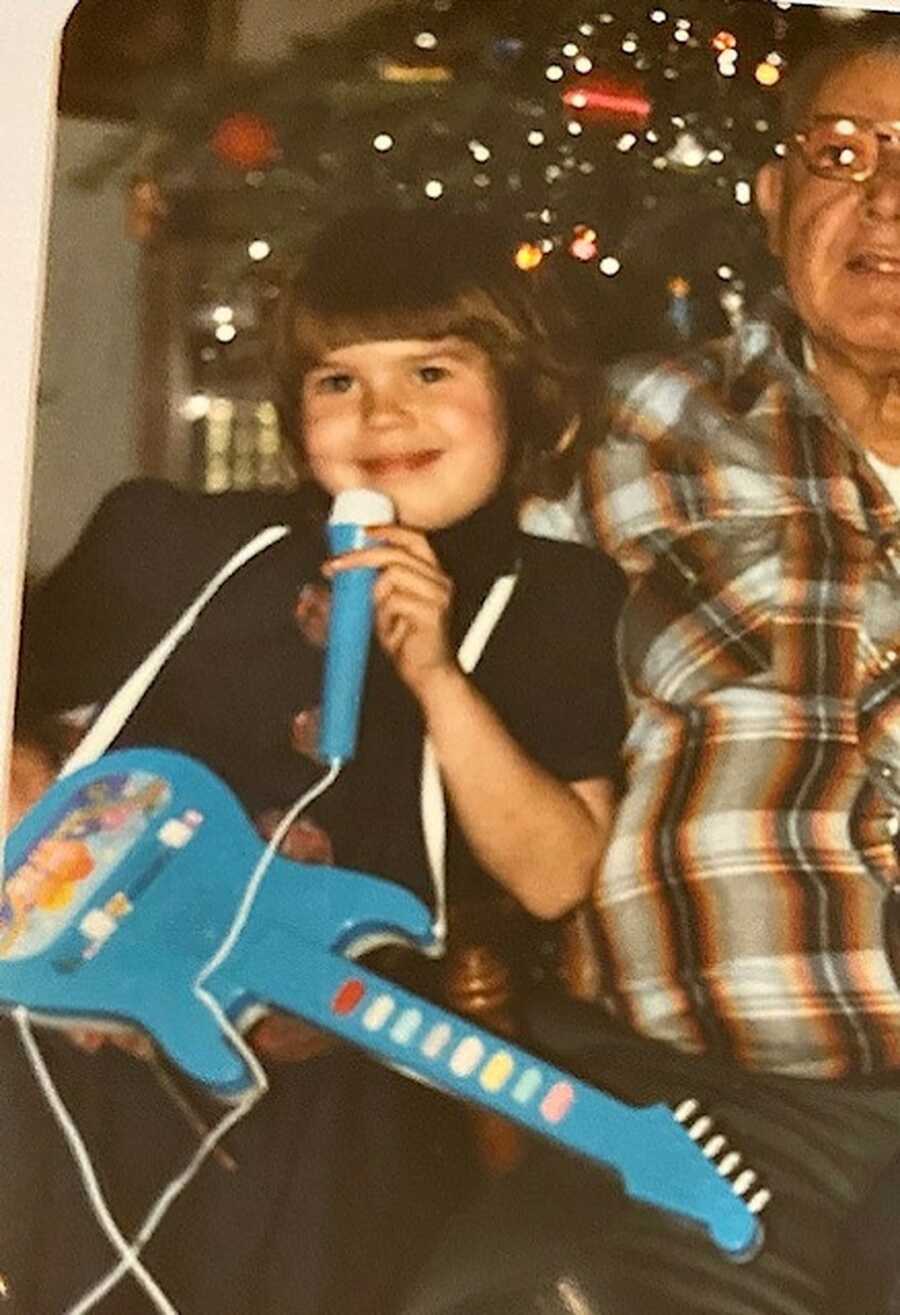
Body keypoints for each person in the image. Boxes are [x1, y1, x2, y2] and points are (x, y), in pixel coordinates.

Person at [2, 208, 626, 1314]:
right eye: (339, 380)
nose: (384, 412)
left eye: (431, 369)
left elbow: (553, 875)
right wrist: (36, 786)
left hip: (350, 1064)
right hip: (91, 1009)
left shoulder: (557, 602)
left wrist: (438, 677)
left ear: (521, 395)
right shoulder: (171, 542)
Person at [398, 26, 900, 1315]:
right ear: (776, 196)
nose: (887, 199)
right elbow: (362, 570)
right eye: (843, 154)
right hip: (695, 1098)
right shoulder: (633, 423)